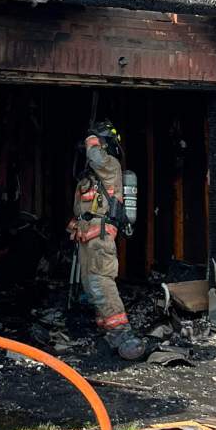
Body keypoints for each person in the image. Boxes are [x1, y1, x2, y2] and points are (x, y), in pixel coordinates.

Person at [68, 120, 146, 360]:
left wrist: (92, 139)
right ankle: (109, 332)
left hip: (100, 238)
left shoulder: (111, 166)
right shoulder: (89, 178)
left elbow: (96, 157)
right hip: (87, 238)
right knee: (90, 285)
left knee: (101, 282)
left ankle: (123, 333)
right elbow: (81, 208)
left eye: (96, 144)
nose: (89, 149)